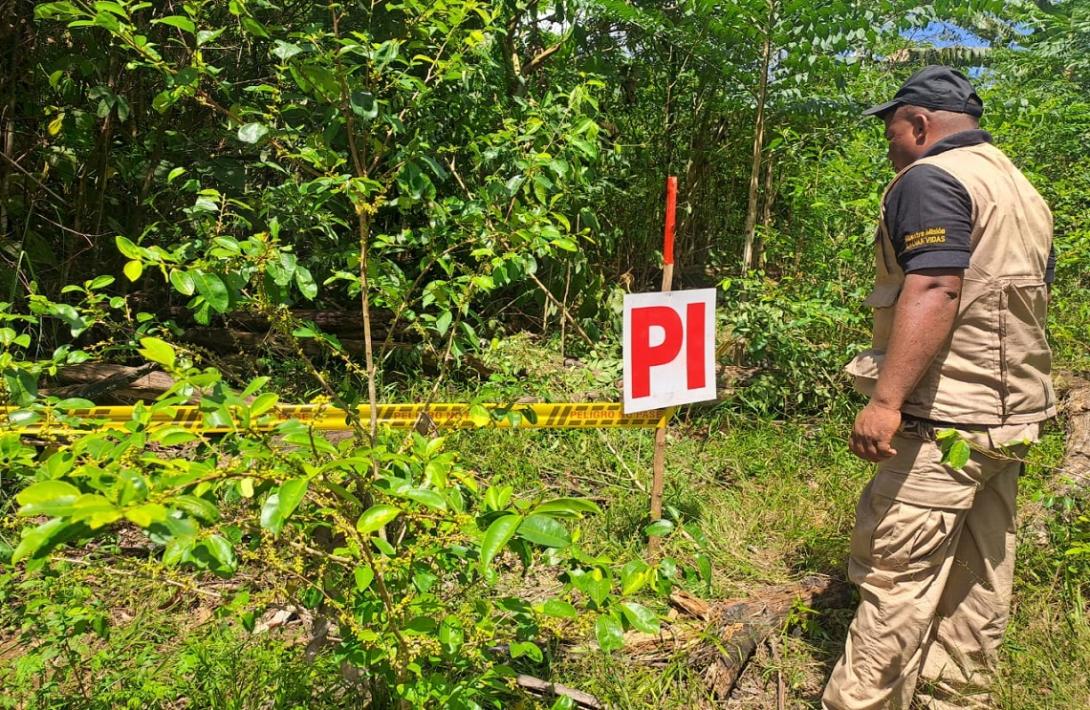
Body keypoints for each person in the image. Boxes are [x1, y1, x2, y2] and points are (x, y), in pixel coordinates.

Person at [822, 65, 1057, 709]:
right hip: (1009, 418)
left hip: (943, 418)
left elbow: (935, 286)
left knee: (897, 578)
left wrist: (886, 400)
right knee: (978, 576)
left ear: (921, 124)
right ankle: (952, 697)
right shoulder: (1019, 187)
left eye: (892, 132)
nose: (890, 147)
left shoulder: (931, 179)